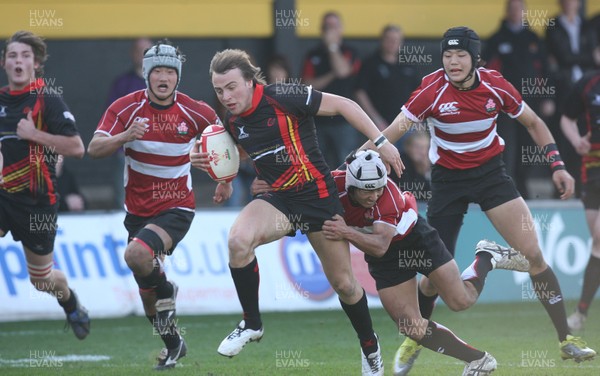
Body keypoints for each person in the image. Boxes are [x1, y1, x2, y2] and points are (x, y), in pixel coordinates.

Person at [363, 26, 597, 373]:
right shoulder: (431, 89)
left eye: (460, 55)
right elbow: (392, 131)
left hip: (491, 177)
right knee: (431, 278)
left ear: (475, 58)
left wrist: (558, 166)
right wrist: (357, 159)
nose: (453, 62)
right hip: (447, 183)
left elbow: (534, 123)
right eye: (447, 55)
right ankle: (419, 336)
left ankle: (566, 340)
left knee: (533, 253)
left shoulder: (495, 85)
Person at [190, 48, 402, 376]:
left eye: (231, 87)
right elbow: (241, 153)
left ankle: (369, 344)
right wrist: (221, 176)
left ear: (249, 81)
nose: (226, 97)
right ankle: (251, 323)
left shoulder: (284, 95)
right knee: (237, 242)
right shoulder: (232, 121)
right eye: (219, 90)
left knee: (345, 284)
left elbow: (346, 105)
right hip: (280, 201)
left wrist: (381, 140)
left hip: (318, 199)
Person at [253, 149, 530, 375]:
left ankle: (486, 257)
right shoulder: (333, 185)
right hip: (386, 260)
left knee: (461, 301)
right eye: (366, 191)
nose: (373, 195)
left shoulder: (389, 199)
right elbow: (302, 184)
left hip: (414, 240)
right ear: (351, 185)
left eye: (378, 188)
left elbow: (380, 244)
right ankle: (479, 360)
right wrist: (271, 186)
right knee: (409, 326)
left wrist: (346, 232)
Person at [88, 40, 220, 370]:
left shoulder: (195, 111)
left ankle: (165, 285)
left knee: (136, 255)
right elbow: (94, 148)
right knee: (149, 297)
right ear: (147, 75)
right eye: (157, 71)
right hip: (137, 210)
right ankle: (174, 345)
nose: (164, 77)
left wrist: (226, 178)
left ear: (178, 76)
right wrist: (125, 137)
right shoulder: (125, 108)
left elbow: (228, 142)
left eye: (170, 72)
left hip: (177, 205)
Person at [0, 31, 89, 339]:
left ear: (36, 64)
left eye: (25, 56)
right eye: (12, 56)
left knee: (41, 279)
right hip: (2, 196)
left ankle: (71, 302)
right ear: (4, 63)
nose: (18, 61)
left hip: (37, 203)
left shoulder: (47, 99)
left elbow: (77, 147)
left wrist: (34, 135)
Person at [483, 0, 555, 198]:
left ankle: (523, 186)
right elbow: (486, 72)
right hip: (503, 104)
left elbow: (546, 71)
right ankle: (506, 187)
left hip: (530, 101)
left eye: (519, 9)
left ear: (524, 12)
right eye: (512, 9)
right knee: (505, 144)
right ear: (507, 12)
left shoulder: (534, 39)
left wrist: (548, 97)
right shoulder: (496, 39)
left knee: (528, 146)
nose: (515, 12)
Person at [546, 0, 599, 197]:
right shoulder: (553, 26)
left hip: (588, 90)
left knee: (587, 137)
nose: (569, 3)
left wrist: (571, 58)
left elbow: (585, 56)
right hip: (565, 89)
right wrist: (579, 57)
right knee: (563, 140)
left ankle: (584, 187)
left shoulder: (587, 26)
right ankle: (560, 188)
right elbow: (558, 58)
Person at [560, 70, 600, 331]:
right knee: (596, 239)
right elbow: (566, 118)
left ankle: (580, 312)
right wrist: (576, 140)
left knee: (599, 239)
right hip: (592, 167)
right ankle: (582, 312)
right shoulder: (588, 82)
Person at [302, 11, 362, 168]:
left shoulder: (350, 51)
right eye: (326, 27)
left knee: (347, 163)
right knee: (318, 165)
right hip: (318, 118)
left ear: (341, 29)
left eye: (334, 26)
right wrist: (331, 74)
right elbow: (308, 85)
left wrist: (333, 47)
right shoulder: (313, 53)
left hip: (344, 119)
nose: (330, 30)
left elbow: (343, 71)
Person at [106, 37, 153, 209]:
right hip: (126, 154)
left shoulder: (162, 84)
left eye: (146, 51)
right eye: (139, 50)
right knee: (124, 200)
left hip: (156, 153)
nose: (142, 55)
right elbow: (111, 118)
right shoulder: (122, 84)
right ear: (132, 54)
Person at [355, 25, 420, 131]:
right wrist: (375, 119)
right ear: (382, 40)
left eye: (396, 40)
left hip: (406, 123)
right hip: (378, 125)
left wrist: (417, 117)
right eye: (389, 39)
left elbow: (419, 91)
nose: (392, 43)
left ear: (401, 42)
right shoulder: (370, 63)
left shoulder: (408, 63)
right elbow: (360, 92)